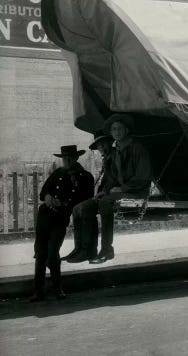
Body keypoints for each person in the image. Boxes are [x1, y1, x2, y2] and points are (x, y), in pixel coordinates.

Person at [80, 113, 151, 264]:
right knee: (85, 207)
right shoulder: (116, 151)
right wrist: (104, 191)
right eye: (113, 129)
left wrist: (123, 188)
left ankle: (107, 249)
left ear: (126, 130)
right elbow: (112, 178)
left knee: (105, 203)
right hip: (120, 192)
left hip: (136, 192)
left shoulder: (137, 148)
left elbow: (143, 177)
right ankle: (86, 249)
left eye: (119, 129)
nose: (116, 132)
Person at [30, 145, 94, 302]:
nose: (67, 161)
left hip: (60, 218)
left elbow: (87, 199)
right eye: (65, 158)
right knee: (40, 254)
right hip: (44, 217)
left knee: (53, 254)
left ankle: (57, 289)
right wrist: (48, 198)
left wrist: (64, 203)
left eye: (70, 158)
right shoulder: (58, 173)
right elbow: (43, 192)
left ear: (76, 158)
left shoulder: (85, 176)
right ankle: (38, 292)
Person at [64, 131, 115, 263]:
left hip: (114, 193)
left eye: (104, 144)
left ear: (110, 143)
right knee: (77, 209)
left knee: (91, 208)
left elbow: (116, 178)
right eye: (99, 145)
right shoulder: (108, 158)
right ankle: (80, 248)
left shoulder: (116, 156)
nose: (101, 148)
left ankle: (101, 249)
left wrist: (105, 191)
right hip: (107, 192)